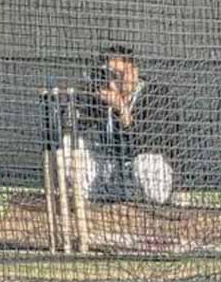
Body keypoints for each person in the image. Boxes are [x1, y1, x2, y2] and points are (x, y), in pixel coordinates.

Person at [63, 45, 180, 205]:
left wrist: (122, 110)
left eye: (118, 75)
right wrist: (84, 99)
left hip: (143, 172)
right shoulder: (101, 96)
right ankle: (94, 201)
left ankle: (148, 206)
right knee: (70, 143)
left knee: (146, 162)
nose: (113, 83)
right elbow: (75, 123)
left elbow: (145, 145)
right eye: (108, 76)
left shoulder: (157, 96)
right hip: (112, 172)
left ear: (134, 71)